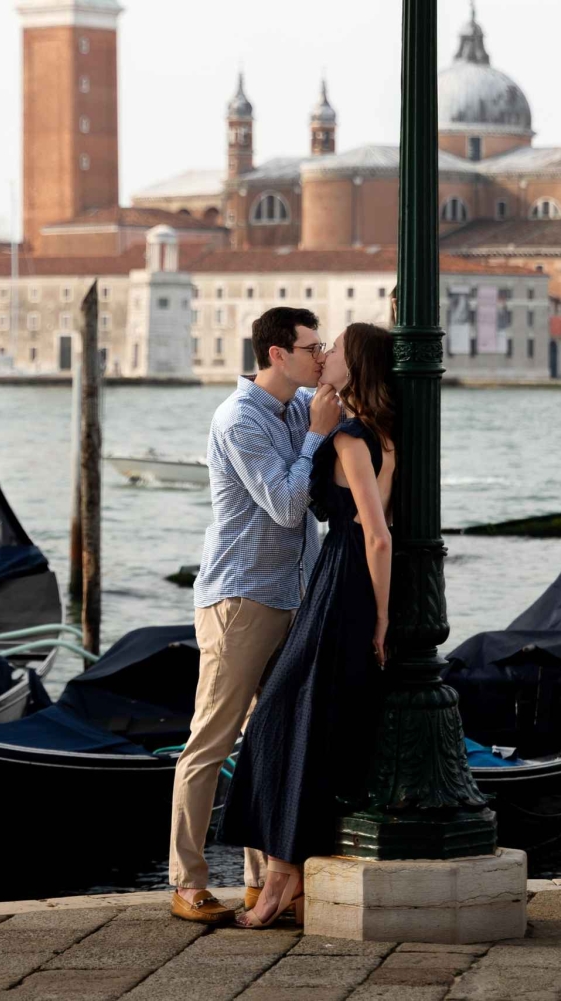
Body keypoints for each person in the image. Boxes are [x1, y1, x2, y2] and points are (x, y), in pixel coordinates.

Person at [217, 322, 397, 929]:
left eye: (335, 351)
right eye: (318, 349)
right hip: (336, 583)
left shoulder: (345, 435)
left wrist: (381, 616)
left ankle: (277, 883)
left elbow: (377, 536)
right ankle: (283, 879)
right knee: (306, 726)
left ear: (356, 366)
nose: (325, 359)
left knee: (276, 724)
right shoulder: (383, 434)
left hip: (338, 585)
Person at [168, 306, 342, 924]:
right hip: (239, 598)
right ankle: (186, 880)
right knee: (210, 741)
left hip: (292, 595)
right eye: (311, 346)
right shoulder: (239, 418)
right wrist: (320, 435)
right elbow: (288, 507)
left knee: (269, 739)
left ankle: (259, 883)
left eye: (323, 346)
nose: (320, 356)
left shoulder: (299, 405)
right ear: (277, 353)